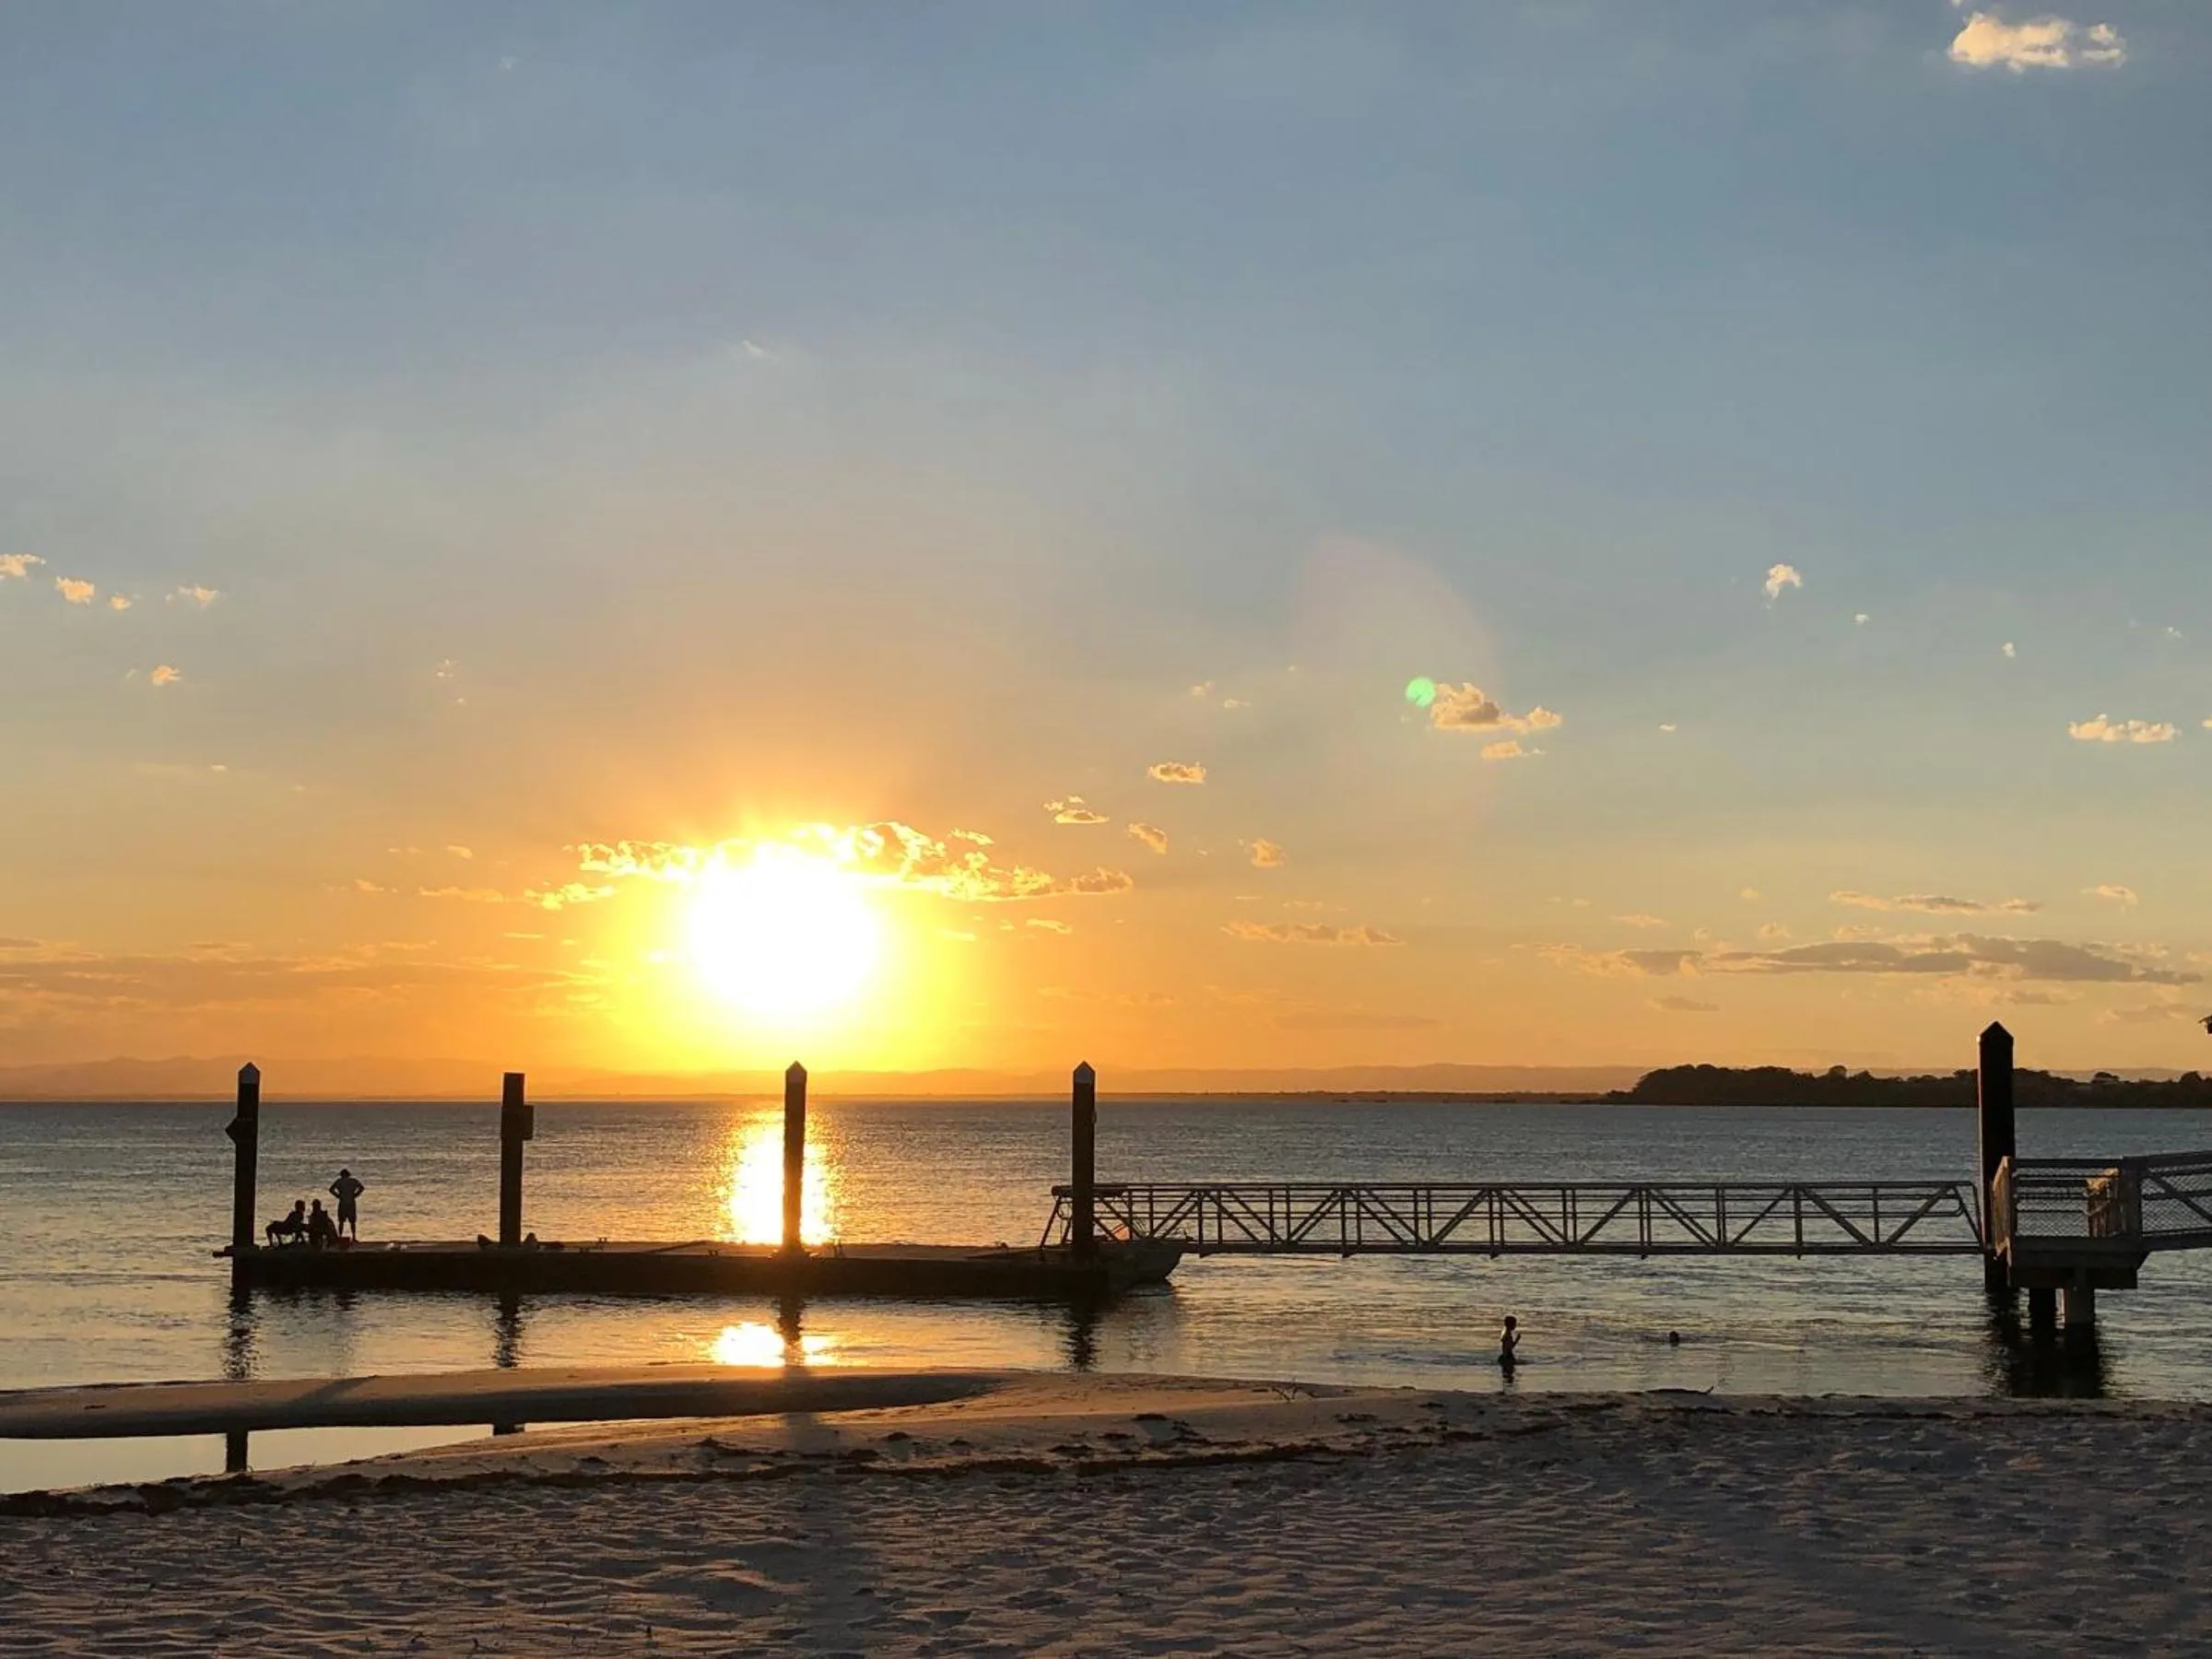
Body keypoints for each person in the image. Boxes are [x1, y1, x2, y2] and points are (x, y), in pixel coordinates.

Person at [328, 1169, 365, 1242]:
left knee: (341, 1221)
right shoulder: (353, 1181)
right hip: (351, 1201)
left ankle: (340, 1236)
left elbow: (331, 1189)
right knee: (352, 1221)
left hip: (342, 1202)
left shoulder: (339, 1181)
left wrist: (338, 1196)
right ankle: (354, 1237)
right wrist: (355, 1195)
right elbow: (362, 1188)